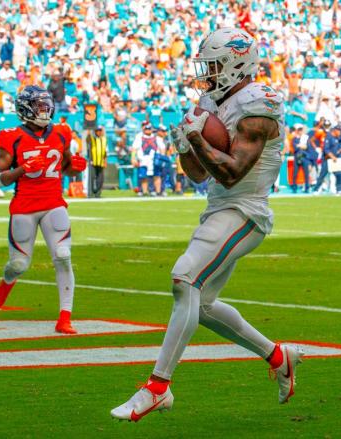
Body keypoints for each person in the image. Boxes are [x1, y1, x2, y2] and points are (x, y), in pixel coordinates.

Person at [112, 28, 302, 422]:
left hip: (247, 211)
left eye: (215, 65)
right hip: (219, 209)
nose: (209, 73)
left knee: (184, 279)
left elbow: (233, 173)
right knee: (205, 304)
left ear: (237, 63)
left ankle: (158, 386)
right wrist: (186, 144)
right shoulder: (211, 100)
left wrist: (197, 138)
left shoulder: (259, 104)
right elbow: (199, 175)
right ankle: (279, 356)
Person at [0, 85, 87, 334]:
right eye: (38, 105)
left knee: (63, 256)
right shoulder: (11, 136)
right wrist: (22, 169)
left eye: (46, 104)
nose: (44, 109)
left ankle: (65, 317)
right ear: (25, 109)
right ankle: (7, 281)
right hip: (24, 207)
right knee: (19, 264)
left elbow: (64, 168)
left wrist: (75, 167)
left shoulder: (62, 132)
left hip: (54, 202)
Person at [86, 126, 107, 198]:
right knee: (92, 177)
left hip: (101, 162)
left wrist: (105, 161)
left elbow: (105, 151)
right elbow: (87, 139)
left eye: (100, 131)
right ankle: (91, 192)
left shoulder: (104, 139)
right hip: (93, 161)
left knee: (100, 179)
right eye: (97, 131)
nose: (99, 132)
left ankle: (98, 193)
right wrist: (88, 133)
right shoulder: (92, 138)